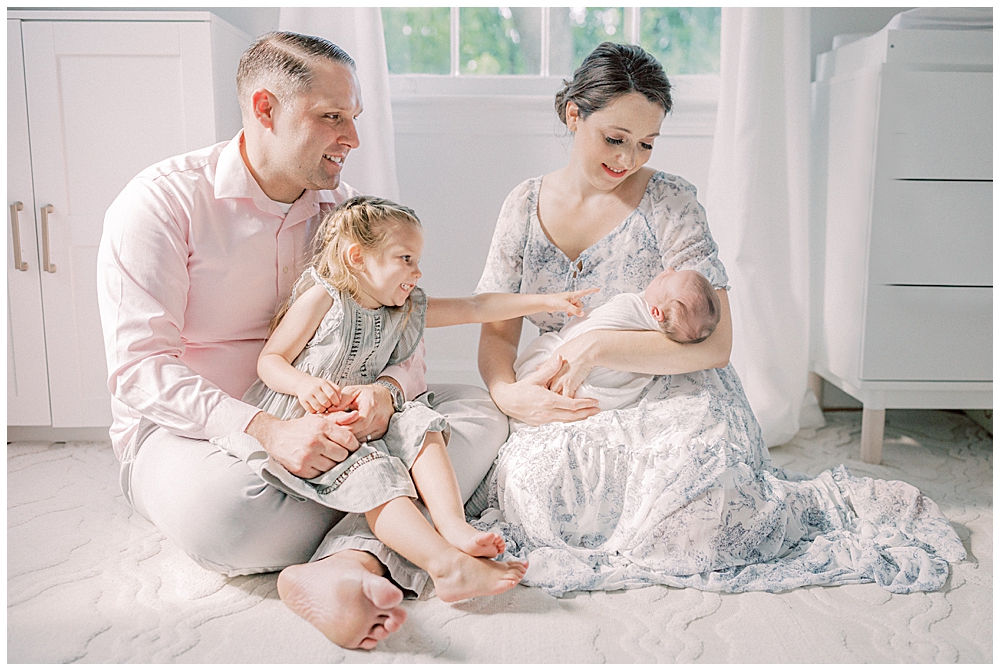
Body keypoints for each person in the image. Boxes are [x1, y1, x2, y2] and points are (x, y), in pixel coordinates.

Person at [472, 42, 965, 596]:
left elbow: (715, 346)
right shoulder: (523, 207)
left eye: (646, 144)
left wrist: (599, 347)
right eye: (615, 138)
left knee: (707, 492)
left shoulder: (671, 203)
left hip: (675, 386)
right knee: (535, 491)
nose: (628, 159)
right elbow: (496, 332)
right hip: (569, 389)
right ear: (573, 114)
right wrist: (509, 395)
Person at [97, 32, 509, 651]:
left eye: (354, 117)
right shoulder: (162, 202)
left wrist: (386, 390)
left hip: (331, 420)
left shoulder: (344, 217)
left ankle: (345, 565)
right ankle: (379, 539)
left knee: (479, 412)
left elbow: (402, 327)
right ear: (265, 110)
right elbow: (139, 372)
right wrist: (268, 430)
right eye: (331, 117)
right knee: (231, 517)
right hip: (192, 436)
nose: (353, 138)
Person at [213, 195, 596, 601]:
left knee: (420, 421)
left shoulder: (403, 310)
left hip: (359, 415)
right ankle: (443, 565)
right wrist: (304, 385)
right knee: (378, 474)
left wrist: (547, 302)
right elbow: (270, 360)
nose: (417, 272)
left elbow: (475, 306)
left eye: (417, 260)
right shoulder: (325, 298)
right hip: (303, 417)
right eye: (405, 259)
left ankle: (452, 525)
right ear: (358, 257)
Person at [513, 267, 720, 413]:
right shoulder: (666, 321)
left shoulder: (634, 307)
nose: (668, 269)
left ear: (656, 313)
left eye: (666, 279)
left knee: (547, 350)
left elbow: (593, 320)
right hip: (575, 380)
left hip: (562, 367)